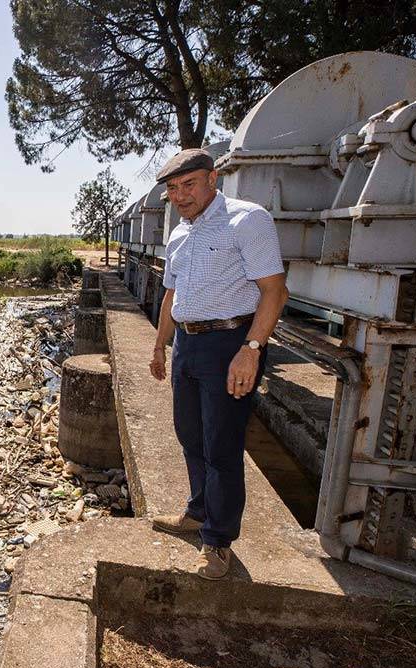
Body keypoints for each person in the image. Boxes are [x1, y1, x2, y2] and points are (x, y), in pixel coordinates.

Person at [147, 148, 289, 580]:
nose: (180, 195)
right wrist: (159, 345)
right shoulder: (178, 235)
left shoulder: (247, 220)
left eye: (188, 184)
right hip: (187, 346)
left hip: (230, 343)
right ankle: (197, 510)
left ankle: (218, 541)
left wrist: (251, 348)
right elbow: (171, 294)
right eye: (173, 188)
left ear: (213, 178)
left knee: (222, 444)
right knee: (190, 435)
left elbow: (274, 290)